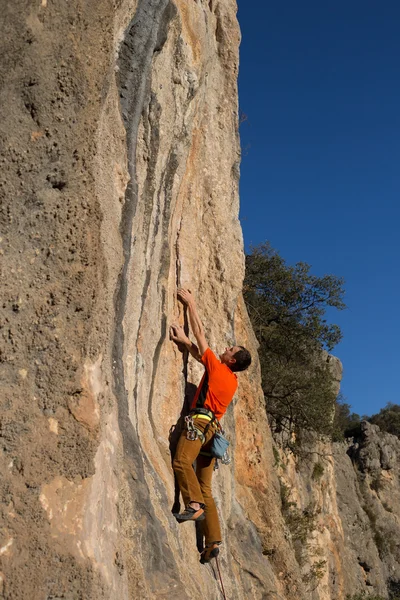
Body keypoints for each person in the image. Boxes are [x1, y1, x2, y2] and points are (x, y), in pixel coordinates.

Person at [170, 288, 251, 564]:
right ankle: (213, 540)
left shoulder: (219, 368)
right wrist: (184, 343)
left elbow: (201, 336)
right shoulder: (230, 379)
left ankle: (193, 506)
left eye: (230, 349)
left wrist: (191, 303)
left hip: (198, 425)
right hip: (211, 434)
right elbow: (202, 357)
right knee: (206, 487)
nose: (226, 348)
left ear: (230, 360)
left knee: (181, 462)